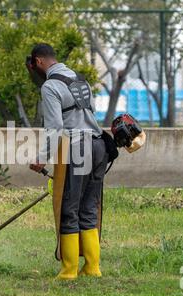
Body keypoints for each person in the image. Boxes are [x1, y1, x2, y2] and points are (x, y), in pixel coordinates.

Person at [28, 43, 108, 280]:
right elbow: (90, 112)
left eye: (33, 65)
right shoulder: (80, 79)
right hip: (99, 145)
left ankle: (69, 270)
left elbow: (55, 127)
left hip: (77, 148)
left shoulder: (50, 86)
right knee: (89, 207)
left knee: (68, 208)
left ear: (39, 61)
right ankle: (93, 267)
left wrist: (41, 159)